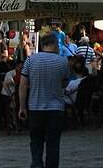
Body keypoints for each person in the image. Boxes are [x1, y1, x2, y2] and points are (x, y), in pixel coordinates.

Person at [20, 33, 70, 168]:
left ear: (42, 45)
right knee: (53, 144)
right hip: (56, 108)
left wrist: (22, 107)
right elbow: (64, 83)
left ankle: (37, 164)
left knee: (36, 141)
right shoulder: (63, 62)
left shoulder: (31, 60)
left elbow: (23, 84)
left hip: (35, 107)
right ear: (54, 44)